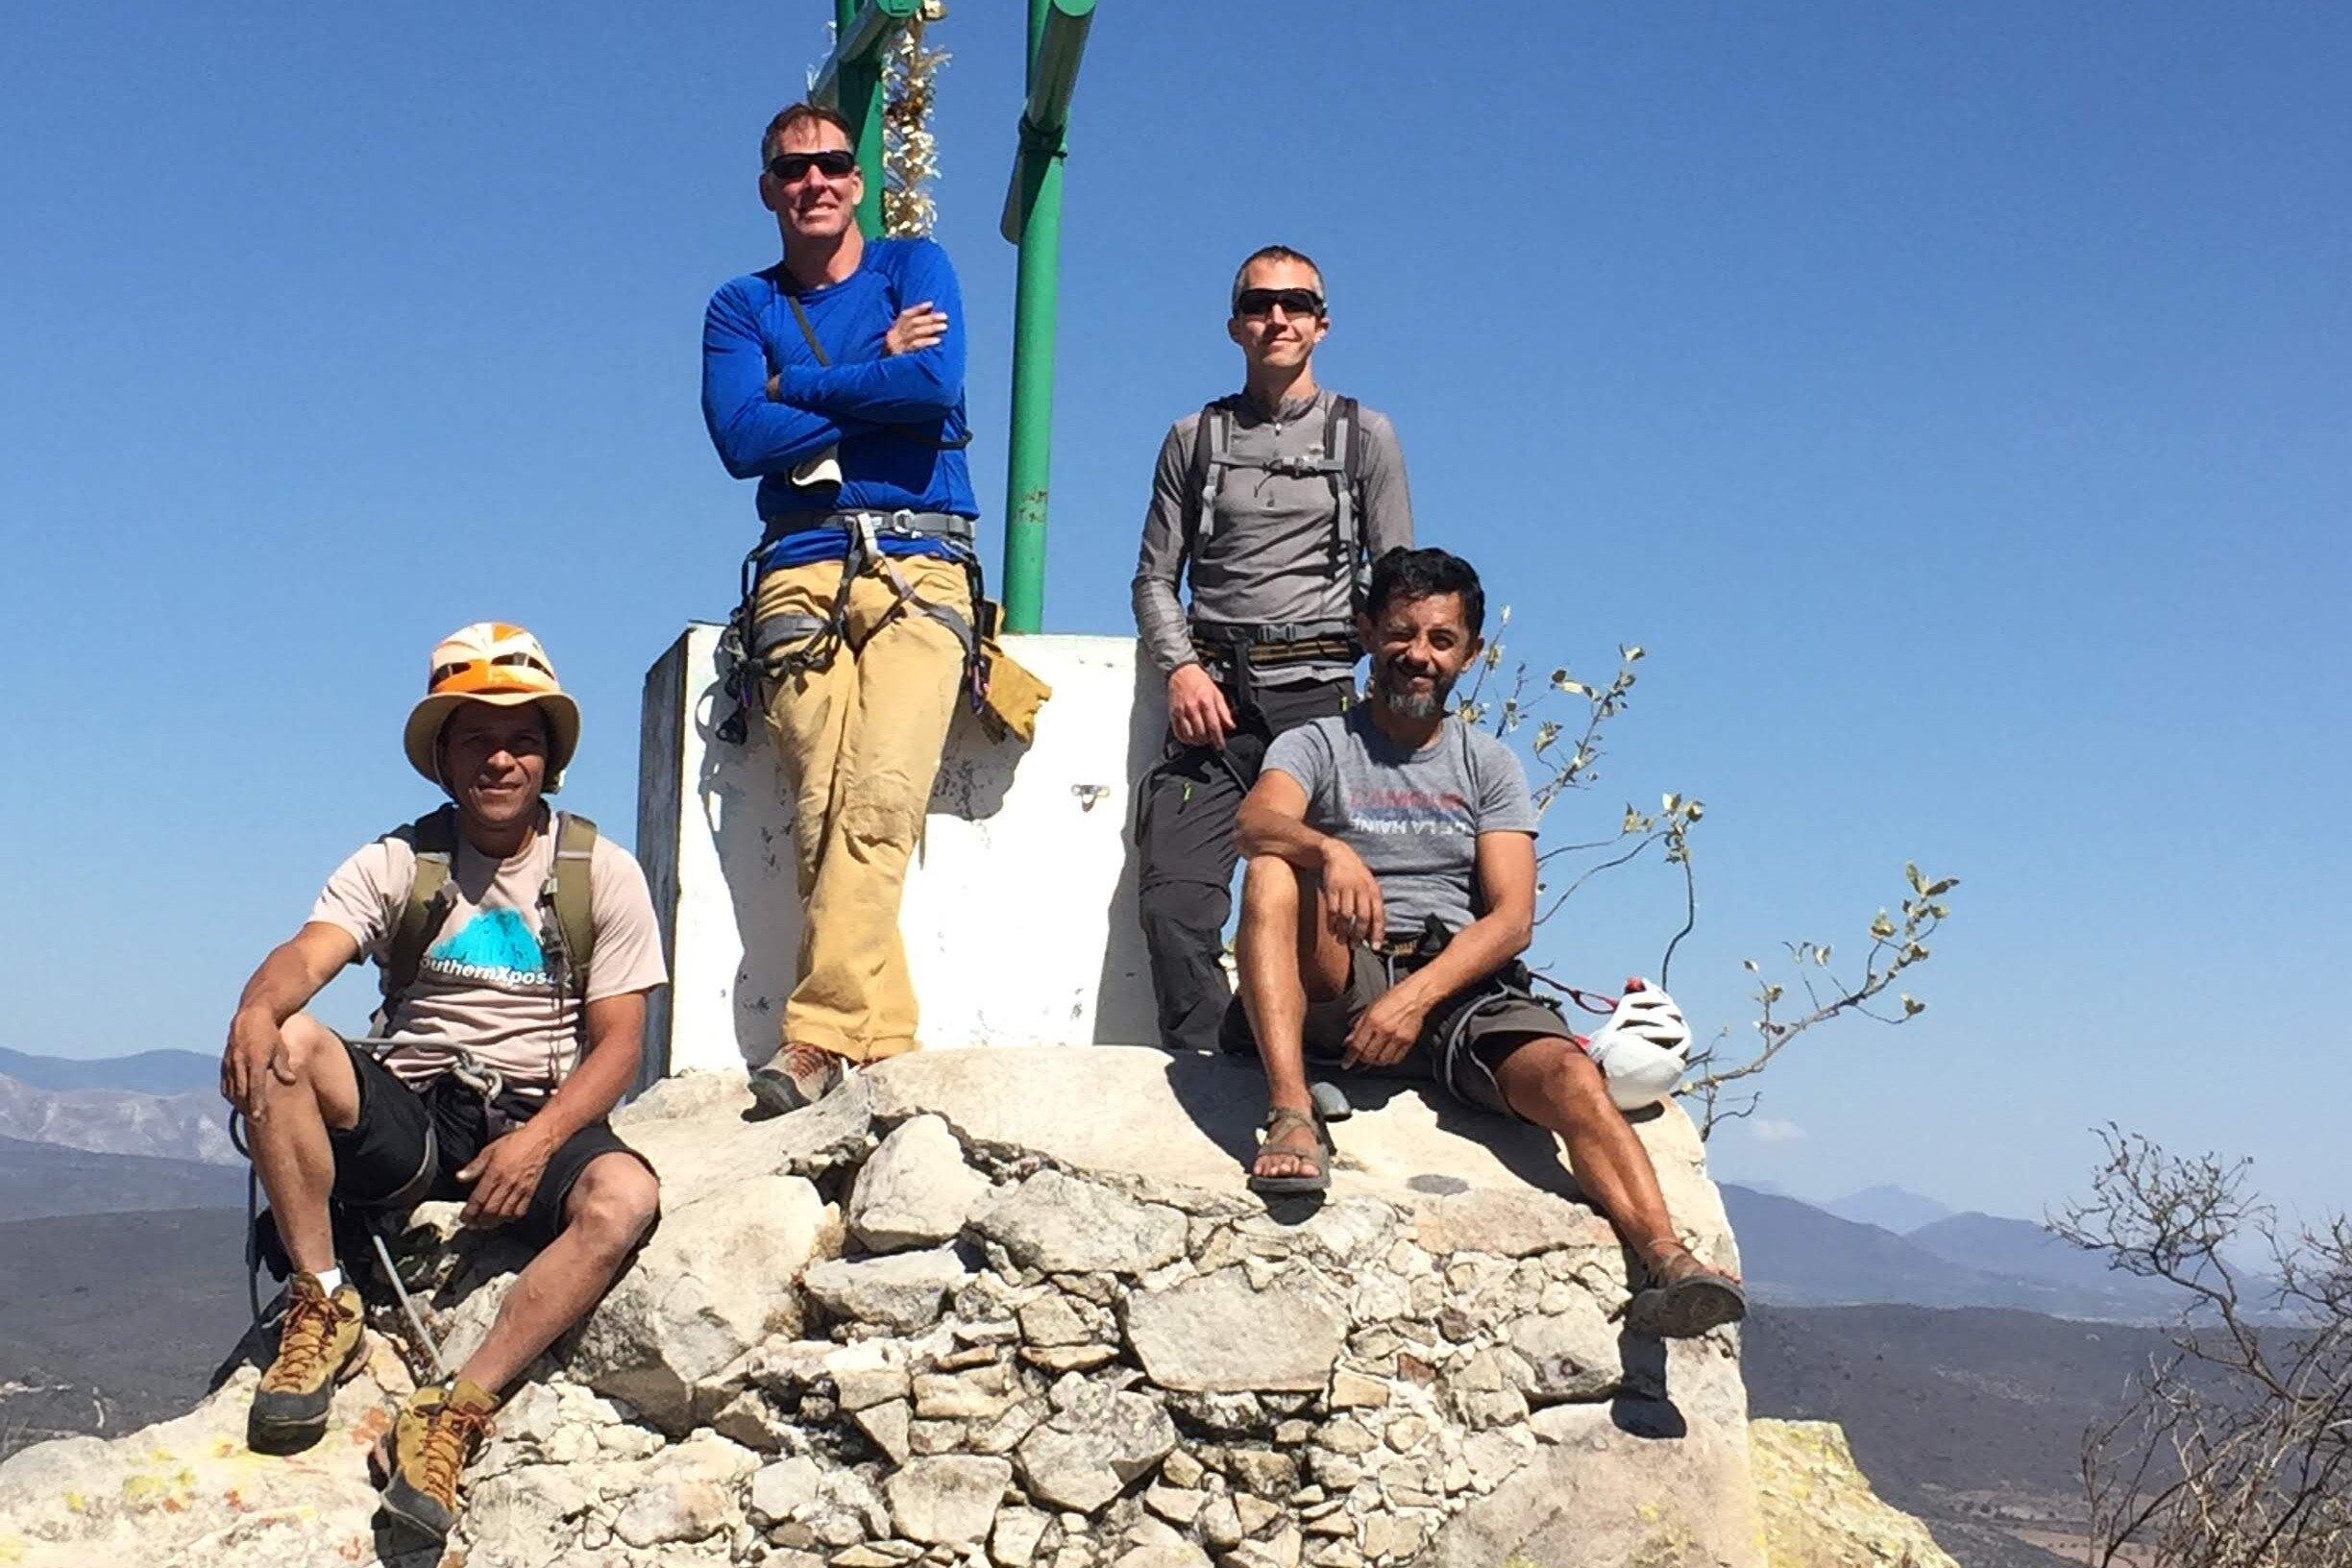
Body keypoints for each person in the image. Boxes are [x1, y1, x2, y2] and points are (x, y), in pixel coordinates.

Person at [219, 623, 668, 1541]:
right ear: (442, 758)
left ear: (550, 756)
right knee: (288, 1041)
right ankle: (321, 1296)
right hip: (417, 1108)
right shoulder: (401, 863)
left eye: (522, 739)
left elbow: (620, 1042)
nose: (501, 758)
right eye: (476, 738)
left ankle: (454, 1409)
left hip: (537, 1111)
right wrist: (255, 1011)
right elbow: (309, 956)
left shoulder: (599, 874)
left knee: (623, 1197)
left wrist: (541, 1140)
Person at [1228, 549, 1747, 1339]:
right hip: (1342, 970)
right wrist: (1330, 852)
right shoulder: (1318, 744)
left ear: (1470, 653)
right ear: (1369, 634)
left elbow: (1510, 918)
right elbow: (1254, 822)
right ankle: (1293, 1113)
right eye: (1402, 633)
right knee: (1273, 870)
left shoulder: (1489, 765)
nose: (1419, 655)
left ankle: (1667, 1261)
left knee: (1571, 1075)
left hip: (1454, 987)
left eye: (1442, 639)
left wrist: (1415, 997)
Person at [700, 101, 981, 1114]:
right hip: (801, 568)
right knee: (823, 805)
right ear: (770, 188)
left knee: (883, 793)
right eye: (793, 169)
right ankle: (890, 1045)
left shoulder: (918, 267)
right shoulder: (741, 306)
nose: (815, 182)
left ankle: (816, 1035)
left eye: (831, 165)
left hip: (922, 559)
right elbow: (739, 438)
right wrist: (877, 376)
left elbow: (935, 390)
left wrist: (804, 383)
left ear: (858, 180)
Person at [1131, 245, 1413, 1055]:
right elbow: (1154, 577)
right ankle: (1205, 1062)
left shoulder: (1368, 436)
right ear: (1235, 325)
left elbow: (1396, 584)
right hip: (1213, 699)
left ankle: (1317, 1053)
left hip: (1320, 701)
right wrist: (1181, 667)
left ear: (1322, 324)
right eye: (1259, 305)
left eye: (1295, 304)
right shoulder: (1195, 437)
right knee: (1176, 898)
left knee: (1319, 898)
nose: (1277, 318)